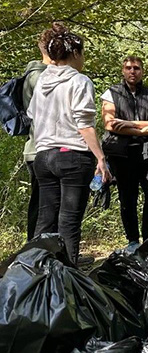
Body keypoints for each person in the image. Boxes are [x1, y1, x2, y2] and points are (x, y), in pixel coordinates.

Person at [27, 23, 110, 264]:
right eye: (82, 53)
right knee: (68, 223)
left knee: (45, 220)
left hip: (43, 157)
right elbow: (84, 123)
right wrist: (100, 158)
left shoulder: (42, 81)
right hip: (72, 156)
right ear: (74, 53)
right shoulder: (80, 81)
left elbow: (33, 115)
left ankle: (36, 274)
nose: (83, 58)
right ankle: (66, 281)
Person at [100, 56, 148, 249]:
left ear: (142, 71)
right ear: (123, 70)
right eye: (128, 68)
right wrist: (141, 130)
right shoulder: (111, 93)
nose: (132, 71)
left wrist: (129, 124)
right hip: (122, 154)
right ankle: (132, 241)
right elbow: (110, 123)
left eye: (136, 68)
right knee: (127, 198)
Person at [20, 28, 51, 241]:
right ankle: (35, 254)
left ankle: (49, 253)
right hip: (41, 149)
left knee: (43, 205)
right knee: (43, 207)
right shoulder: (40, 77)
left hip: (38, 149)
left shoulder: (35, 74)